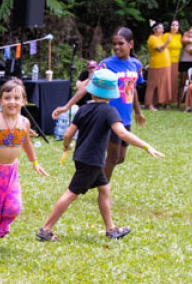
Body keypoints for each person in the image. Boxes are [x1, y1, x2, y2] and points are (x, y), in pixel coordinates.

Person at [37, 69, 164, 242]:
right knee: (71, 194)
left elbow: (68, 134)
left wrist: (67, 146)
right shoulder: (109, 111)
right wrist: (145, 146)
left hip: (82, 157)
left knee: (104, 189)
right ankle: (46, 229)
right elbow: (122, 133)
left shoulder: (82, 110)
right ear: (111, 94)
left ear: (91, 90)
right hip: (92, 161)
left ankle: (111, 229)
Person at [52, 27, 146, 181]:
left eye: (120, 43)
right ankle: (103, 190)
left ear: (131, 44)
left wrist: (138, 111)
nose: (116, 47)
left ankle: (92, 176)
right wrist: (66, 107)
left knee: (121, 158)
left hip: (126, 119)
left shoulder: (136, 65)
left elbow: (132, 89)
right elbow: (87, 85)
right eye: (114, 43)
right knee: (113, 157)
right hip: (110, 118)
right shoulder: (106, 64)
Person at [0, 78, 49, 248]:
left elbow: (26, 143)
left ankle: (0, 226)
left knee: (14, 207)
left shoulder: (24, 122)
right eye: (7, 98)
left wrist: (34, 162)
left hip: (10, 172)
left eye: (16, 98)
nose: (12, 102)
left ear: (24, 101)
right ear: (0, 100)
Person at [144, 21, 172, 110]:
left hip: (165, 64)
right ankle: (149, 103)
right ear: (155, 30)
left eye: (162, 27)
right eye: (160, 27)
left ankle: (158, 102)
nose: (162, 29)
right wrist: (167, 42)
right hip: (156, 65)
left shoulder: (161, 38)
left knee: (162, 84)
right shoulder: (152, 38)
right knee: (153, 84)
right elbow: (159, 49)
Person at [167, 20, 183, 107]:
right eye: (172, 25)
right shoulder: (166, 35)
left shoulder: (180, 36)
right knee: (167, 82)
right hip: (166, 61)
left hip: (175, 61)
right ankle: (165, 102)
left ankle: (171, 101)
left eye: (176, 25)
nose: (174, 27)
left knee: (173, 81)